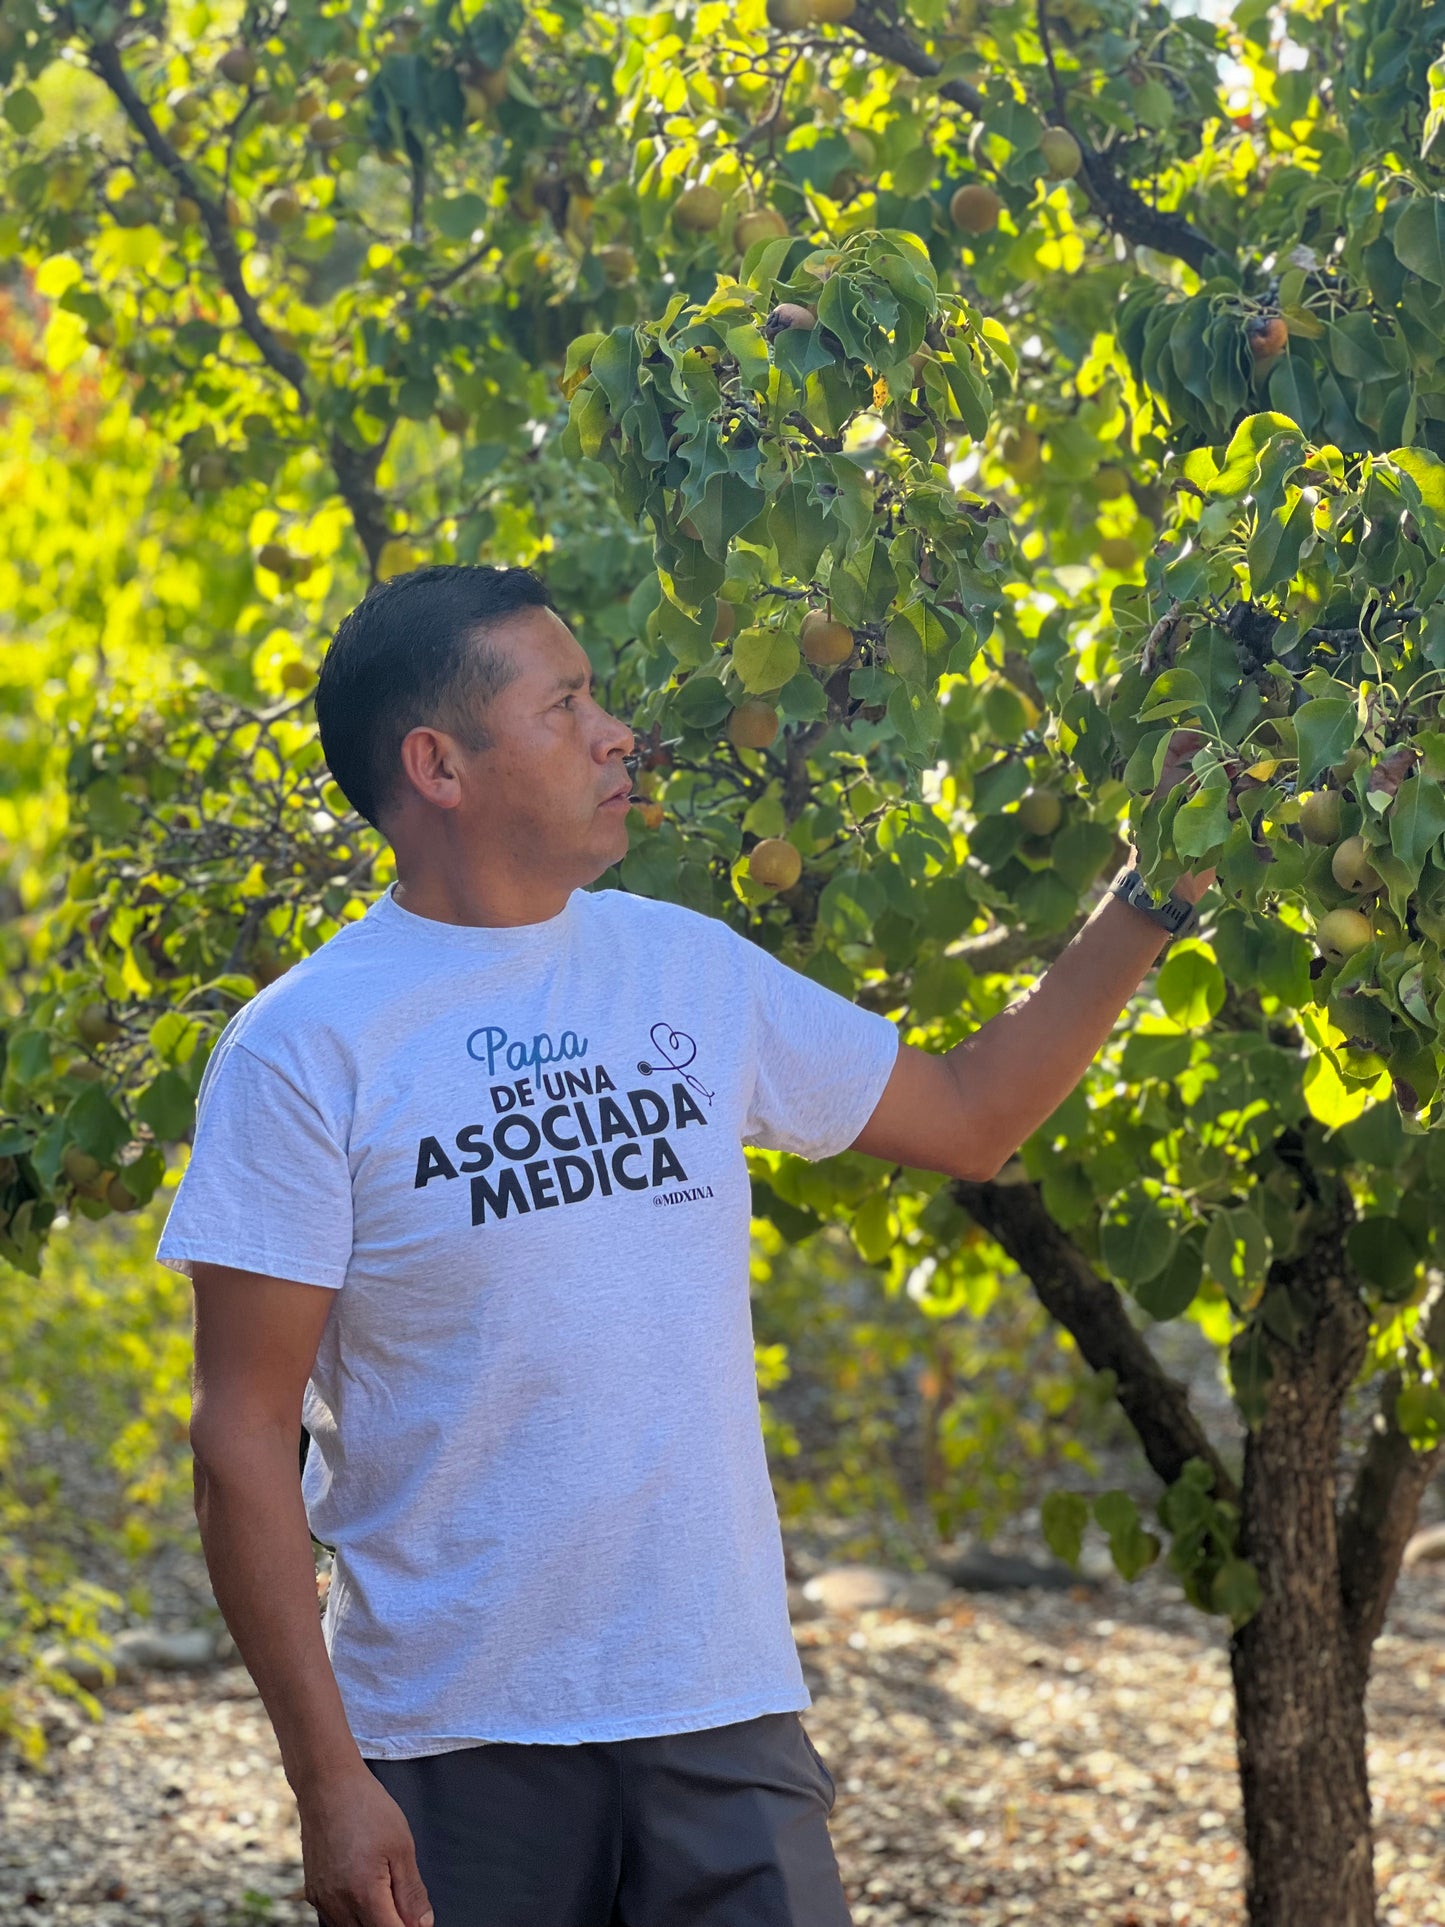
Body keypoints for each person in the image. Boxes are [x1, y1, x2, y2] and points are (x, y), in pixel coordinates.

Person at [157, 564, 1214, 1927]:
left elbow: (969, 1117)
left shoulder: (684, 970)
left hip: (721, 1713)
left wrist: (1153, 889)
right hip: (449, 1742)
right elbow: (240, 1434)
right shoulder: (305, 1049)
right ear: (439, 764)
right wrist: (326, 1780)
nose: (616, 735)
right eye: (566, 705)